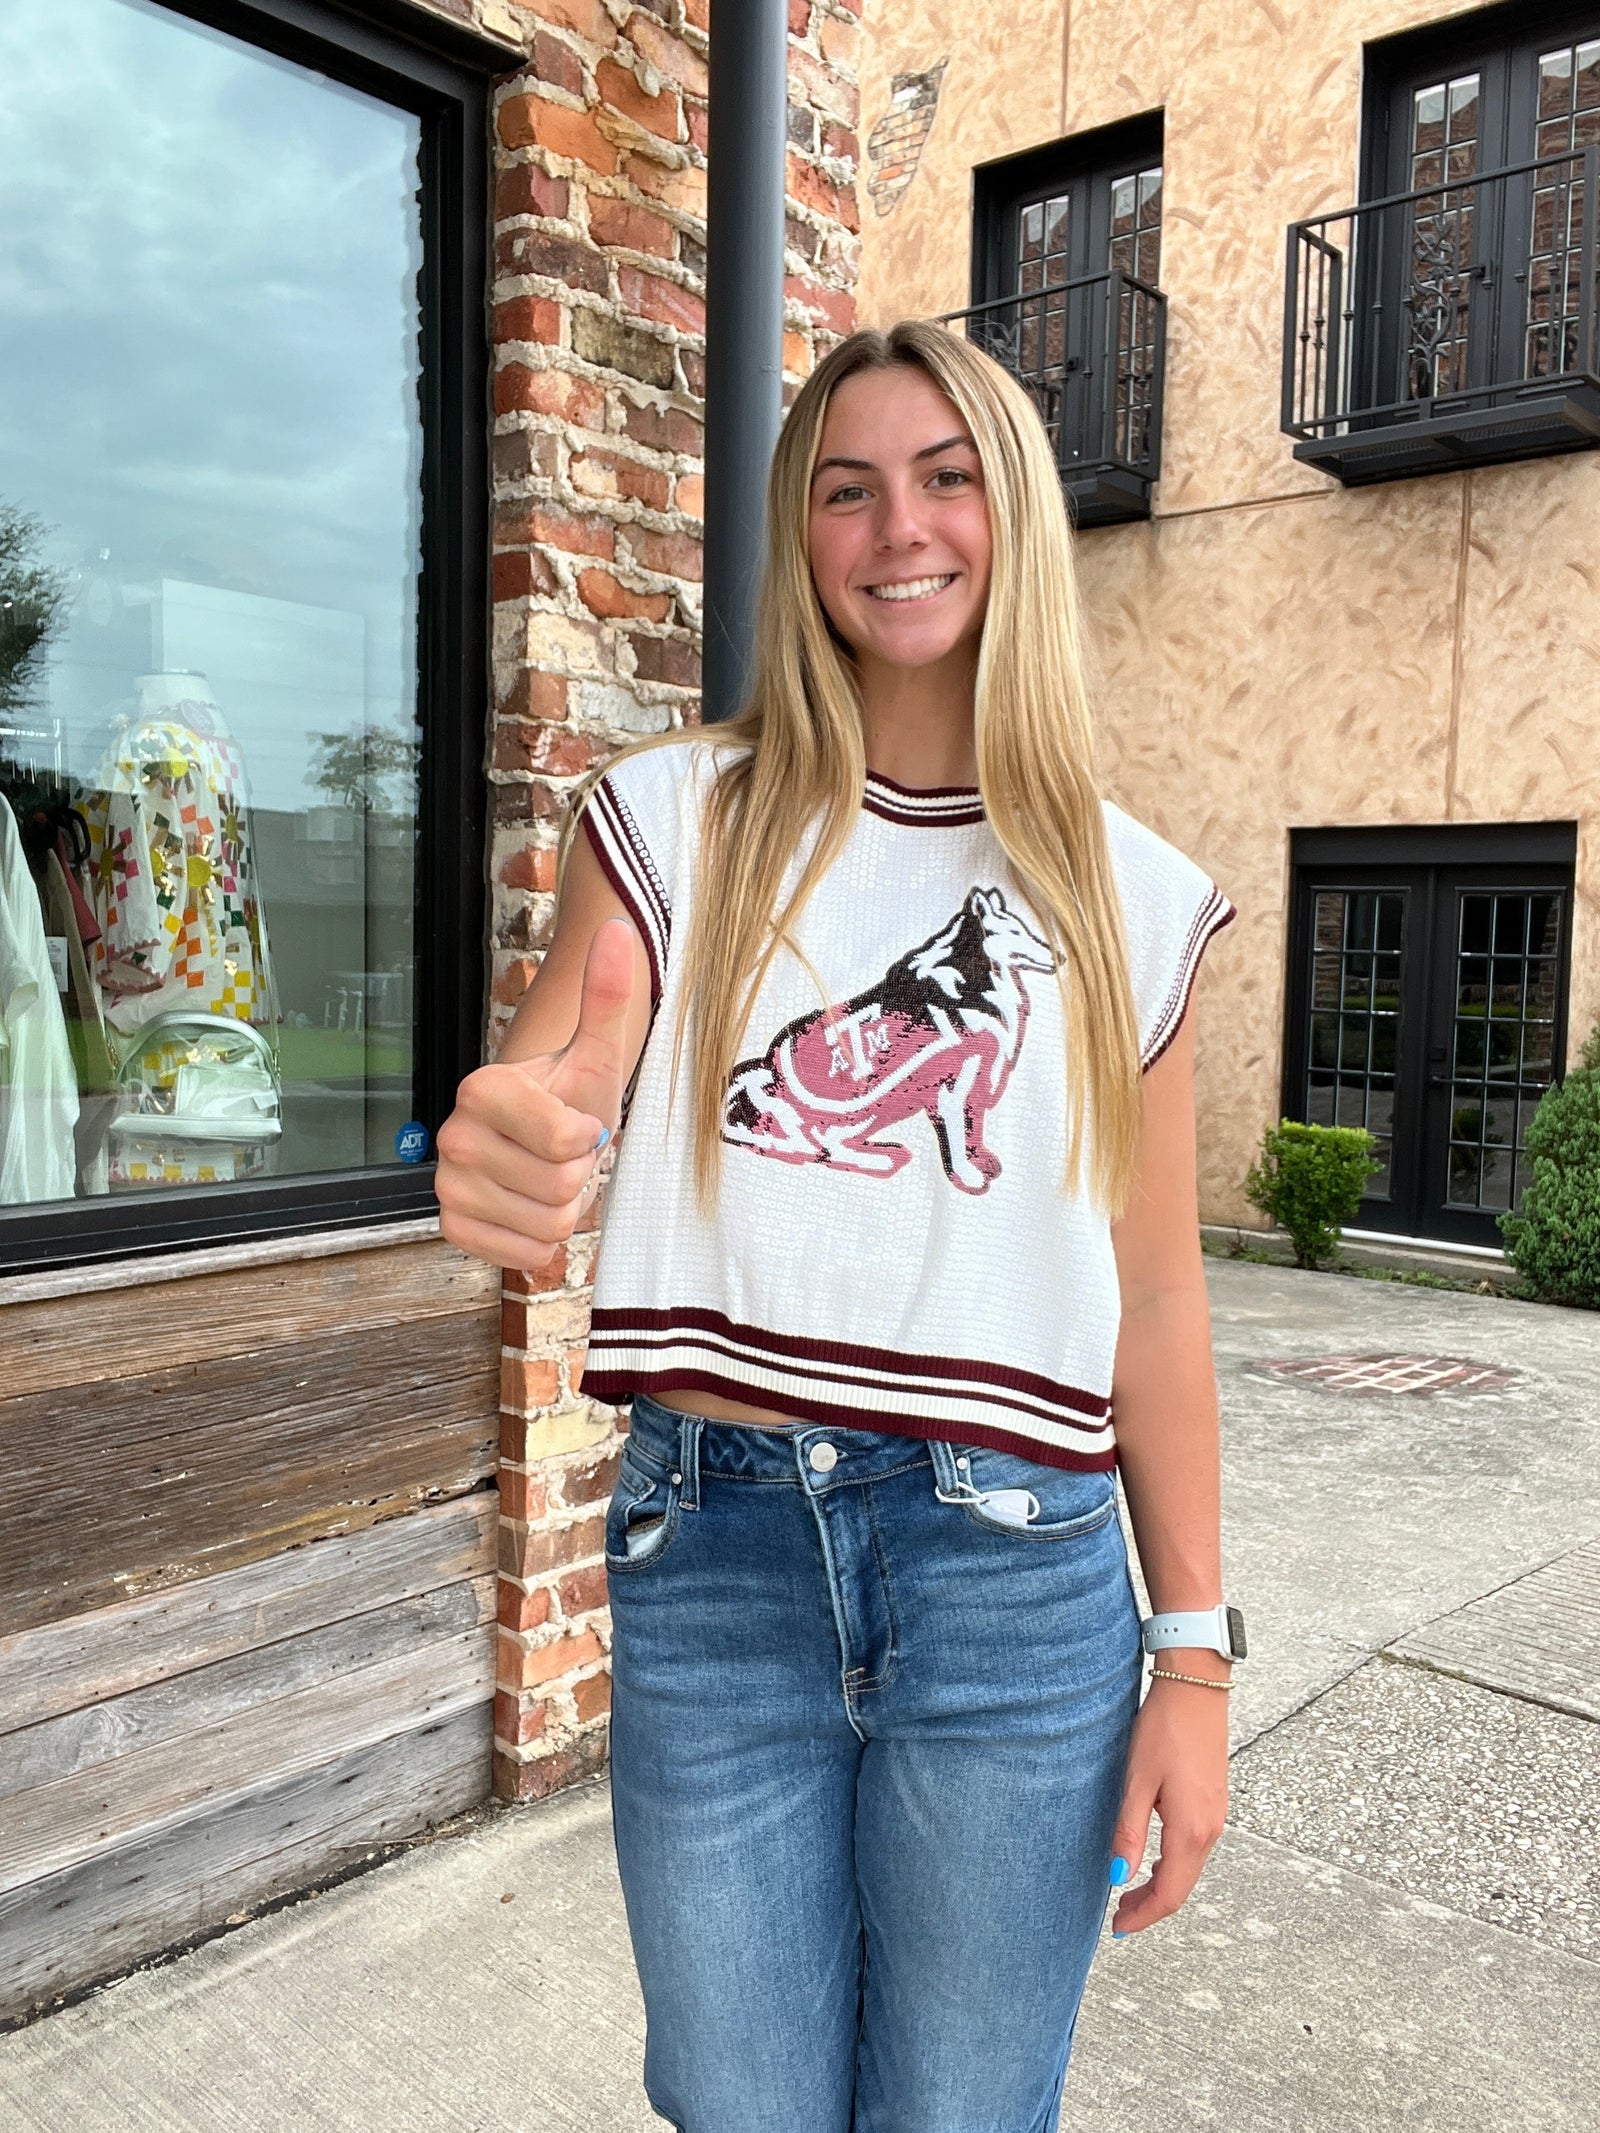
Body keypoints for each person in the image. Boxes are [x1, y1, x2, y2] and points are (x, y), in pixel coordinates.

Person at [436, 319, 1242, 2133]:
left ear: (1013, 511)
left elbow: (1157, 1296)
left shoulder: (1134, 898)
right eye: (848, 489)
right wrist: (521, 1143)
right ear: (800, 534)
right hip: (714, 1557)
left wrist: (1192, 1655)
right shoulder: (669, 825)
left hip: (1019, 1577)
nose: (901, 529)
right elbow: (559, 1073)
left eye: (948, 479)